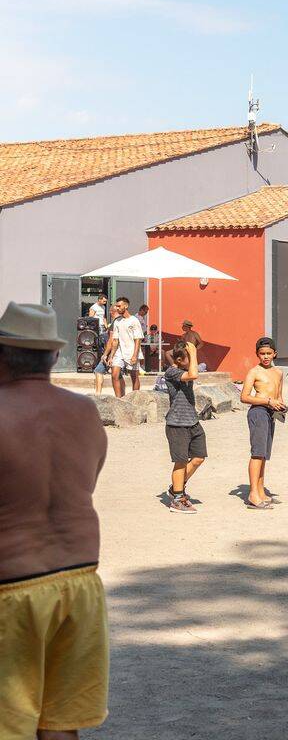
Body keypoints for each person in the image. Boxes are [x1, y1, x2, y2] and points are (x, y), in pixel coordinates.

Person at [0, 302, 109, 738]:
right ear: (52, 357)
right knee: (61, 724)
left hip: (11, 586)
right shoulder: (84, 412)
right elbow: (86, 484)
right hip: (80, 581)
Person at [240, 337, 286, 509]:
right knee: (257, 453)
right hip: (258, 412)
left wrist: (281, 406)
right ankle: (253, 494)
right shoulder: (254, 372)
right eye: (262, 354)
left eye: (269, 353)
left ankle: (261, 491)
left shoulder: (278, 372)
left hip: (271, 412)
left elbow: (279, 394)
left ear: (275, 353)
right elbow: (244, 397)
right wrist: (267, 401)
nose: (266, 357)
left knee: (264, 454)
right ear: (257, 355)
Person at [162, 341, 205, 514]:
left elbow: (192, 371)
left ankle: (175, 488)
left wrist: (191, 352)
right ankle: (178, 499)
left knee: (198, 457)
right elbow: (194, 375)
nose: (194, 360)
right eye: (189, 358)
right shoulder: (172, 372)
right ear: (179, 360)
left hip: (192, 421)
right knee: (180, 462)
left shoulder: (182, 368)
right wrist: (193, 352)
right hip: (177, 424)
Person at [101, 296, 143, 397]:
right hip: (120, 352)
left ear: (126, 306)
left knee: (134, 376)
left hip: (132, 351)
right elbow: (115, 340)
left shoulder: (134, 320)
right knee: (114, 374)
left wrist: (134, 355)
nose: (117, 308)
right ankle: (118, 399)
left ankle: (135, 397)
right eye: (116, 306)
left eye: (119, 306)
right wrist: (111, 356)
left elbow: (138, 339)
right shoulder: (117, 321)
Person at [90, 299, 110, 396]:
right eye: (104, 301)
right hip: (96, 328)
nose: (105, 302)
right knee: (100, 346)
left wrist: (106, 326)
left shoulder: (103, 307)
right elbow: (90, 317)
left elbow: (104, 317)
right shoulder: (93, 307)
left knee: (106, 345)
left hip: (103, 328)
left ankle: (104, 364)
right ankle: (102, 364)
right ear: (99, 300)